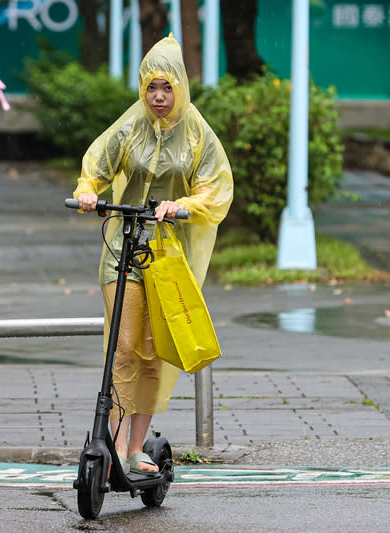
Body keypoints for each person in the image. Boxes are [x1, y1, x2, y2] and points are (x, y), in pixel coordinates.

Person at [73, 35, 233, 474]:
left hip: (166, 257)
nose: (158, 97)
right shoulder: (128, 128)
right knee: (122, 348)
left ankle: (137, 446)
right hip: (121, 250)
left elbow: (216, 188)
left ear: (180, 87)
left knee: (151, 349)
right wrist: (88, 193)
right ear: (142, 89)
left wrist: (185, 206)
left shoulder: (198, 134)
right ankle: (117, 445)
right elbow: (96, 169)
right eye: (151, 88)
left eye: (167, 88)